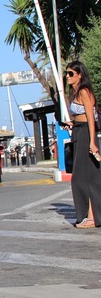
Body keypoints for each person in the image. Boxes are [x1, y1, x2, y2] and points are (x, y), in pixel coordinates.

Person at [63, 61, 101, 229]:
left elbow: (91, 118)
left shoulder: (84, 91)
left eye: (71, 73)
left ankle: (91, 217)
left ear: (80, 75)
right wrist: (71, 123)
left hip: (86, 134)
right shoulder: (75, 92)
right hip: (78, 132)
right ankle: (88, 216)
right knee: (82, 176)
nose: (67, 76)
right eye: (67, 73)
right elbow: (80, 116)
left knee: (85, 177)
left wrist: (92, 142)